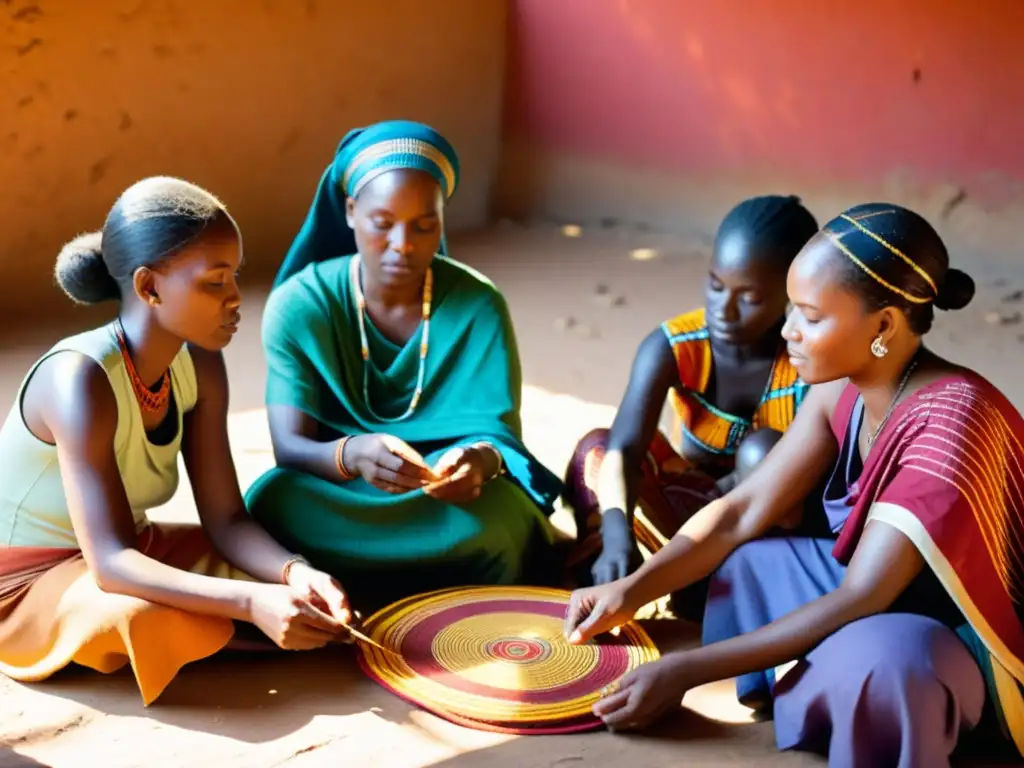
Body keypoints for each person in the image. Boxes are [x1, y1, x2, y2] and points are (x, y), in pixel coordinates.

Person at [563, 203, 1024, 765]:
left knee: (886, 665)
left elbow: (862, 596)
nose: (787, 332)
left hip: (960, 635)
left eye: (808, 316)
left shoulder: (951, 424)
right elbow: (741, 511)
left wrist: (685, 669)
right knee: (748, 562)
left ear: (883, 325)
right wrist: (632, 590)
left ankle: (879, 705)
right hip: (881, 590)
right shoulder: (846, 387)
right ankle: (812, 678)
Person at [0, 178, 353, 706]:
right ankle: (254, 632)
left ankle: (267, 624)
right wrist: (253, 601)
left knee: (288, 550)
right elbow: (112, 563)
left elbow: (227, 519)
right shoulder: (79, 379)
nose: (235, 299)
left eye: (234, 276)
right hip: (34, 576)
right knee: (141, 617)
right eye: (215, 283)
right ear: (148, 287)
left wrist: (294, 573)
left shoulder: (200, 364)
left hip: (132, 544)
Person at [245, 120, 563, 614]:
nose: (403, 244)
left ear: (442, 221)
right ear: (350, 212)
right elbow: (290, 448)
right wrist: (352, 454)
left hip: (445, 503)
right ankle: (429, 603)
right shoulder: (301, 305)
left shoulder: (479, 305)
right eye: (382, 222)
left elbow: (497, 439)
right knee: (272, 501)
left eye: (424, 225)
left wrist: (476, 463)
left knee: (502, 521)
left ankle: (443, 615)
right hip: (340, 491)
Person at [564, 196, 819, 588]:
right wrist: (618, 539)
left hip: (765, 524)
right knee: (597, 450)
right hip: (691, 503)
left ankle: (727, 586)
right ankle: (605, 562)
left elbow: (811, 480)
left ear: (792, 294)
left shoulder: (808, 368)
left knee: (763, 453)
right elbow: (626, 450)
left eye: (749, 298)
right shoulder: (675, 347)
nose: (723, 310)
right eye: (716, 286)